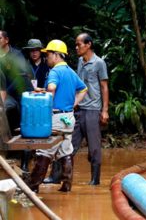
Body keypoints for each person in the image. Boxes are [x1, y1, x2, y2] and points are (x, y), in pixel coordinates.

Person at [27, 40, 87, 193]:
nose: (46, 58)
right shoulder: (70, 71)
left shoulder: (54, 72)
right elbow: (83, 89)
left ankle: (32, 187)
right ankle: (66, 185)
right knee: (65, 150)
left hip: (56, 118)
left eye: (48, 55)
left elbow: (52, 88)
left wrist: (46, 99)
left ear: (55, 54)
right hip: (68, 118)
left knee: (44, 151)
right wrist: (73, 104)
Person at [71, 33, 109, 185]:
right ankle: (61, 176)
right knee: (70, 144)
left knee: (94, 146)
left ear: (88, 45)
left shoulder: (99, 63)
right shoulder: (80, 61)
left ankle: (95, 180)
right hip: (79, 109)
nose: (76, 47)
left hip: (93, 109)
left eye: (79, 44)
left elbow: (104, 86)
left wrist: (105, 110)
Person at [0, 30, 34, 172]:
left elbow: (20, 77)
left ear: (6, 40)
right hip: (5, 92)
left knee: (25, 125)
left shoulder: (16, 55)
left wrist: (5, 92)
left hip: (19, 92)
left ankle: (25, 163)